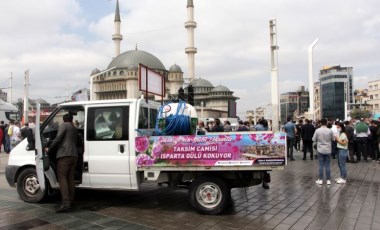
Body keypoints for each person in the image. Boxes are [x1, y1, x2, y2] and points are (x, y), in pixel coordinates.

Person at [45, 113, 79, 212]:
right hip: (74, 155)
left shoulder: (64, 126)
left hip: (64, 155)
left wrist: (49, 149)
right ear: (72, 119)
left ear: (64, 120)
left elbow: (58, 138)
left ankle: (65, 203)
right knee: (70, 179)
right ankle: (71, 201)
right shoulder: (74, 128)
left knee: (62, 178)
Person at [313, 118, 334, 185]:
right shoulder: (330, 131)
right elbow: (333, 139)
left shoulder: (317, 130)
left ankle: (320, 179)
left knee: (321, 165)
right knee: (327, 165)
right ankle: (328, 180)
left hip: (320, 149)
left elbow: (313, 139)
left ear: (320, 123)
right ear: (326, 123)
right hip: (328, 149)